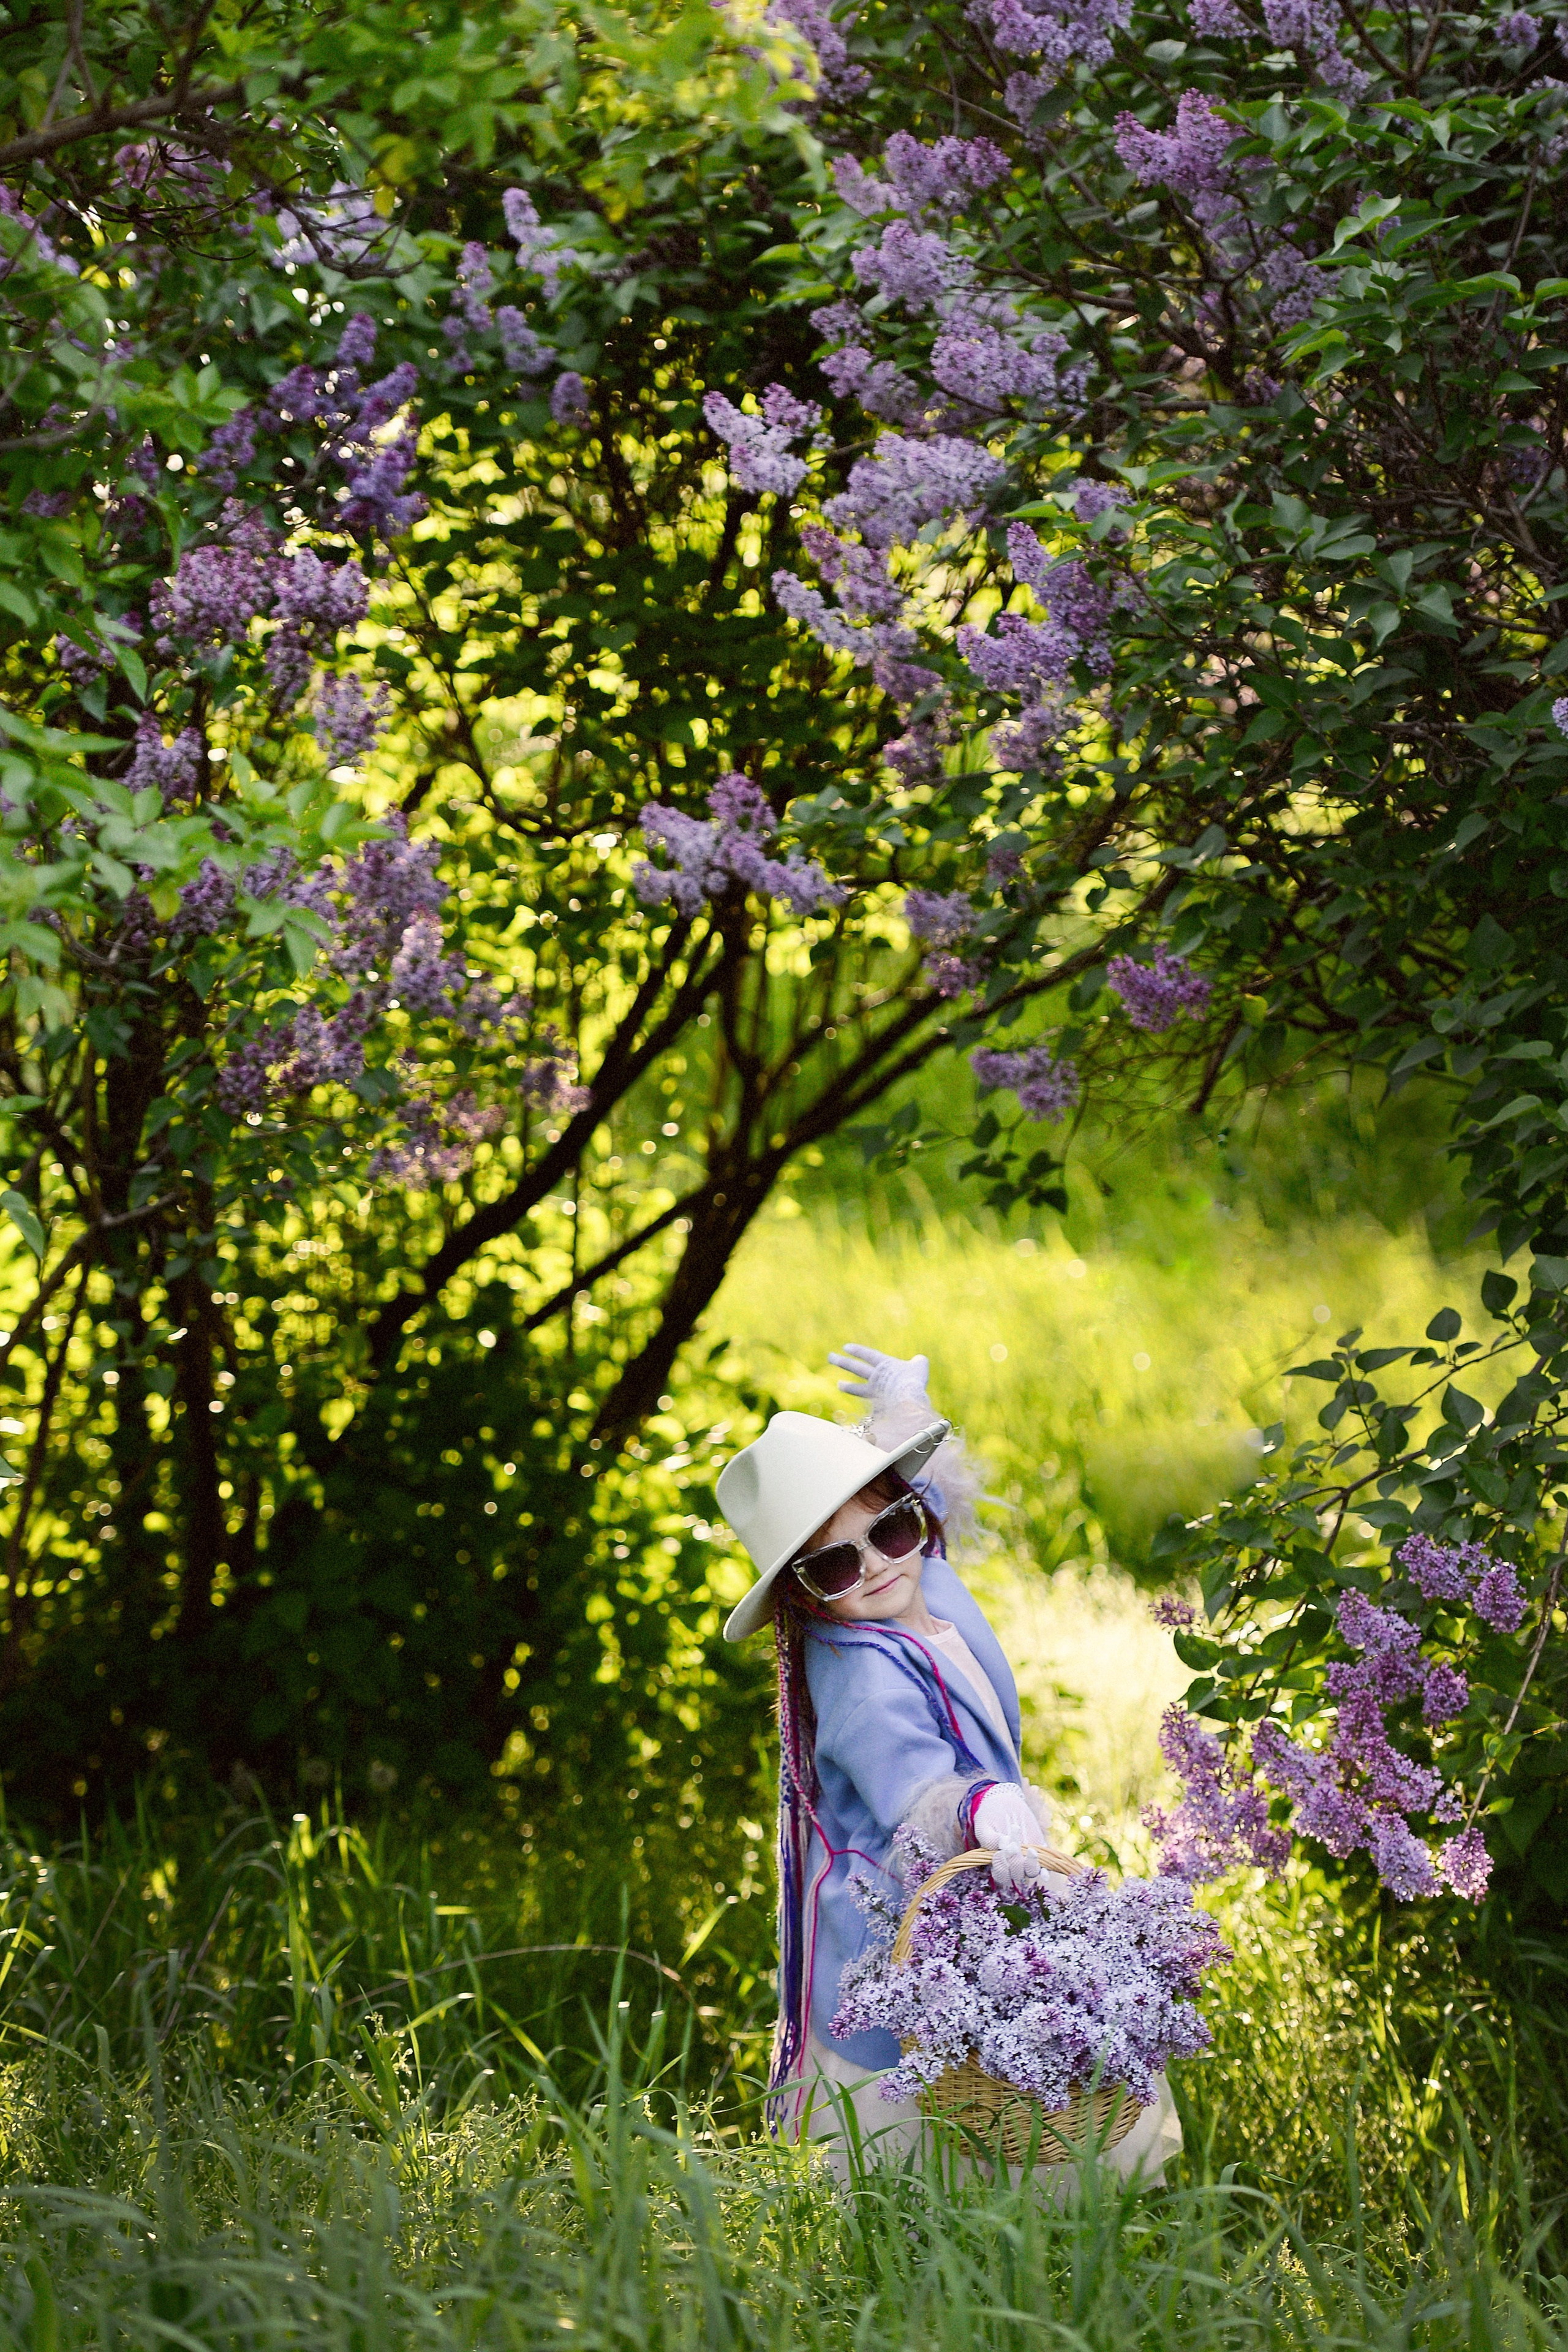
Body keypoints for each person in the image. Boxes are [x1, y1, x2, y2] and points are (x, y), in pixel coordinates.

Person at [715, 1342, 1182, 2184]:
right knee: (924, 2071)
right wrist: (978, 1811)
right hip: (900, 1898)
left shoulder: (912, 1569)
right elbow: (913, 1783)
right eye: (834, 1562)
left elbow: (921, 1497)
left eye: (890, 1527)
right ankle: (924, 2216)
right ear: (800, 1590)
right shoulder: (858, 1670)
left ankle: (1015, 2202)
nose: (879, 1562)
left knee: (1011, 2027)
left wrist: (901, 1418)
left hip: (974, 1868)